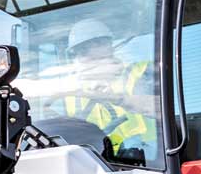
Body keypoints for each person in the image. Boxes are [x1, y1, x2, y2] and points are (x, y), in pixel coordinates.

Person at [45, 18, 157, 160]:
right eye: (79, 51)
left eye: (88, 48)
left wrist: (118, 99)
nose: (83, 56)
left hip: (149, 159)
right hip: (96, 162)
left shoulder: (139, 72)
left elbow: (163, 109)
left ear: (108, 45)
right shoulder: (69, 93)